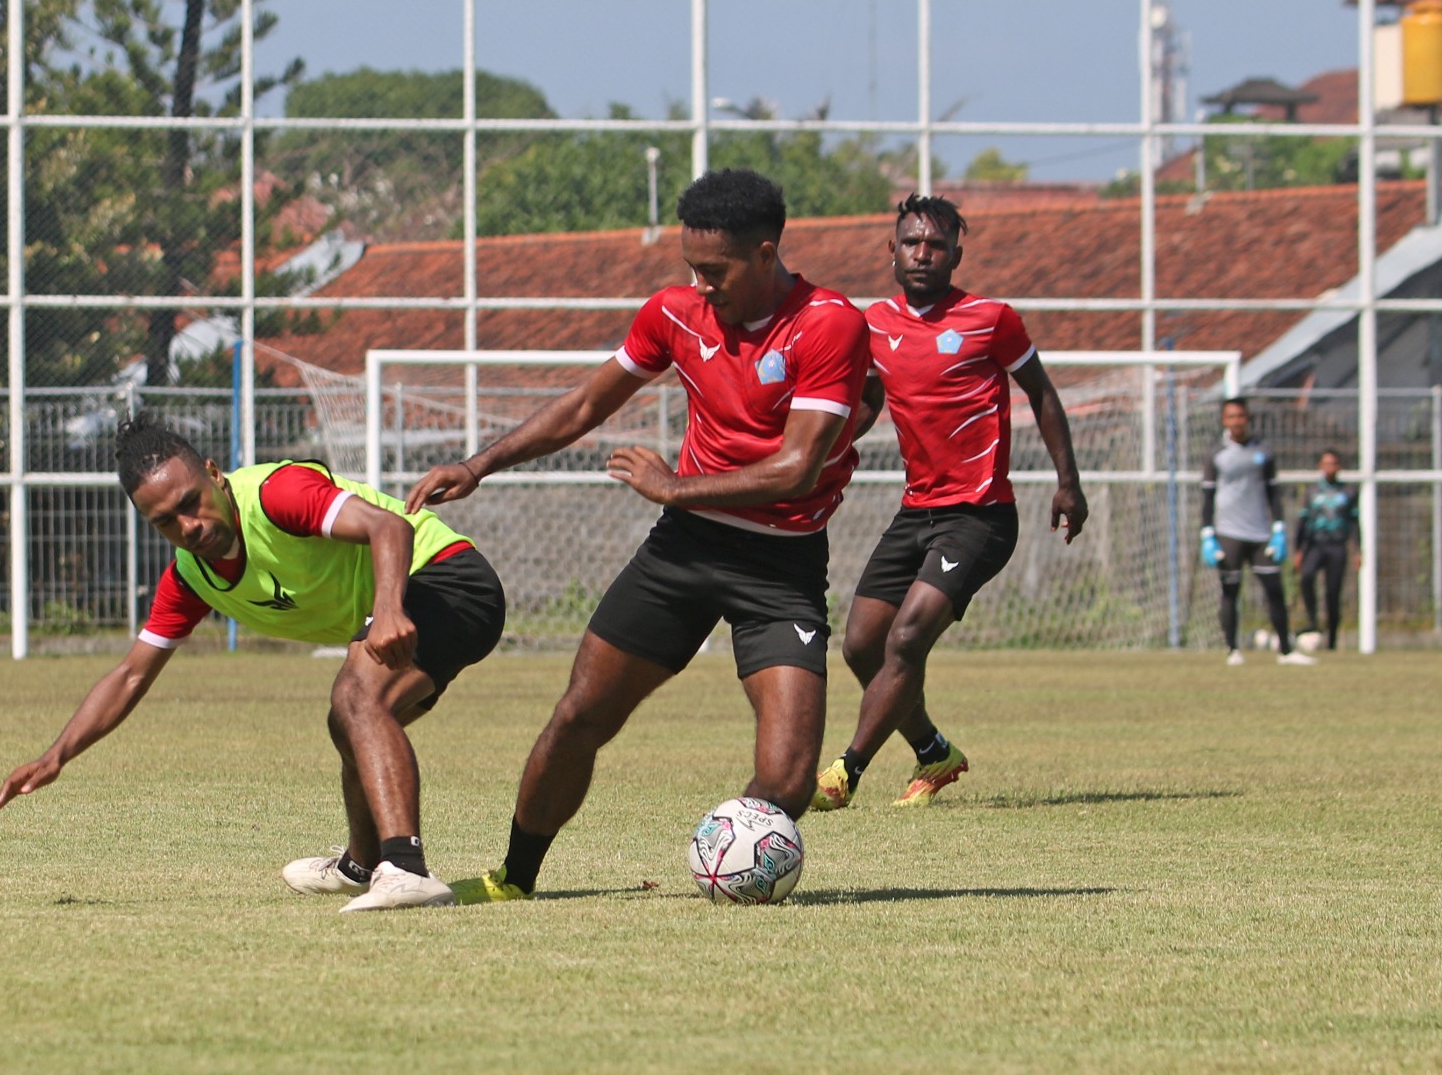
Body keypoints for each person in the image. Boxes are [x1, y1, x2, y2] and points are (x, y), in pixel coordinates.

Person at [404, 168, 872, 904]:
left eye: (714, 270)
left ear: (764, 252)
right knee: (580, 715)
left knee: (787, 779)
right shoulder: (674, 313)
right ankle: (513, 879)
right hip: (681, 553)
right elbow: (587, 403)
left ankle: (737, 866)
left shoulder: (830, 322)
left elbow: (796, 466)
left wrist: (671, 485)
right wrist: (479, 464)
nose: (701, 283)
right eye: (691, 267)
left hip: (779, 567)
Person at [0, 412, 506, 912]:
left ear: (214, 474)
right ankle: (362, 865)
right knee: (350, 722)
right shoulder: (192, 575)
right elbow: (130, 674)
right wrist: (55, 756)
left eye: (191, 502)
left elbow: (389, 527)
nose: (189, 525)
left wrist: (390, 608)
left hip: (447, 580)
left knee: (356, 698)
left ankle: (406, 869)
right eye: (166, 522)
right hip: (411, 601)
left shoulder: (276, 495)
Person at [810, 193, 1088, 812]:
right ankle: (934, 752)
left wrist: (1068, 480)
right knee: (859, 646)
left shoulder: (993, 318)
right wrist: (818, 450)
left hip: (981, 514)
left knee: (906, 640)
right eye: (912, 242)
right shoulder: (875, 325)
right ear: (892, 250)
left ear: (957, 254)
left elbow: (1041, 394)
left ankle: (845, 771)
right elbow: (869, 403)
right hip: (917, 510)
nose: (923, 254)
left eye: (936, 245)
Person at [1198, 398, 1315, 666]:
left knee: (1274, 589)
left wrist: (1278, 528)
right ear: (1224, 421)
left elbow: (1273, 493)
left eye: (1241, 416)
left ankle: (1285, 651)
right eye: (1231, 417)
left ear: (1248, 418)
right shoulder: (1215, 454)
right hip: (1227, 531)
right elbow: (1207, 496)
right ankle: (1232, 650)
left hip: (1261, 532)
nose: (1237, 421)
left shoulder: (1263, 452)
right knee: (1231, 590)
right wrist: (1207, 533)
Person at [1294, 447, 1360, 651]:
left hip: (1337, 546)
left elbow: (1355, 522)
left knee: (1333, 593)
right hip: (1315, 544)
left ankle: (1331, 641)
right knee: (1306, 577)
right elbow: (1303, 521)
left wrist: (1358, 549)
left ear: (1339, 466)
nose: (1330, 467)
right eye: (1326, 463)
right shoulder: (1312, 491)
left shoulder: (1348, 491)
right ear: (1320, 466)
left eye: (1334, 463)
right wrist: (1298, 549)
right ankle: (1313, 621)